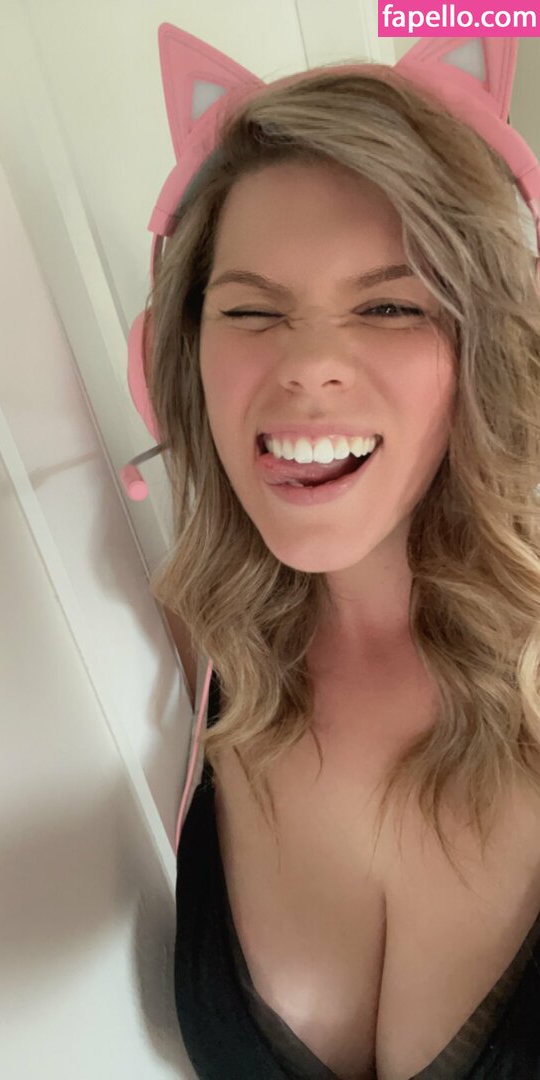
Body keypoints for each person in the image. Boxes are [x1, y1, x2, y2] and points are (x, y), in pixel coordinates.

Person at [134, 24, 540, 1079]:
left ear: (485, 349)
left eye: (389, 305)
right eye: (251, 311)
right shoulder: (181, 646)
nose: (307, 366)